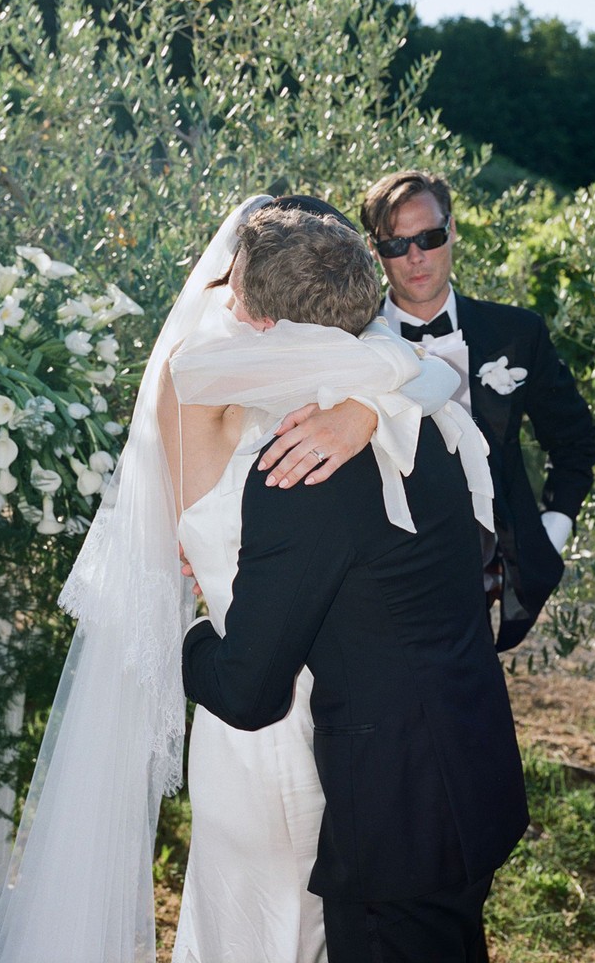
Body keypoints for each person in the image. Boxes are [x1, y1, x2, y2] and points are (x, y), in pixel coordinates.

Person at [0, 194, 460, 963]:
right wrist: (368, 405)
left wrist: (365, 409)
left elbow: (412, 369)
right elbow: (418, 370)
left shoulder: (267, 376)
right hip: (265, 718)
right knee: (273, 931)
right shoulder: (218, 375)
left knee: (276, 929)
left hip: (304, 702)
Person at [180, 205, 529, 963]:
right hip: (469, 771)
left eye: (234, 298)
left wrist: (187, 636)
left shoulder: (301, 466)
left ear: (263, 324)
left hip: (396, 821)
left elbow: (247, 692)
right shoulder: (415, 413)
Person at [361, 170, 595, 651]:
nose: (415, 257)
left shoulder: (517, 333)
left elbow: (575, 441)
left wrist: (548, 534)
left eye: (429, 237)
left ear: (451, 230)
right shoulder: (352, 343)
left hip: (481, 579)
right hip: (375, 580)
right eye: (396, 244)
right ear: (374, 249)